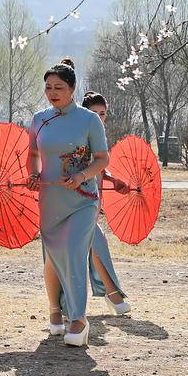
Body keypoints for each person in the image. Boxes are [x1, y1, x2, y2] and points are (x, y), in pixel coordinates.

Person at [28, 59, 109, 347]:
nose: (52, 92)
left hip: (83, 199)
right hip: (50, 200)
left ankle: (78, 319)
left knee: (74, 250)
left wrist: (82, 175)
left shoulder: (89, 120)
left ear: (72, 89)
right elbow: (33, 155)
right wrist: (33, 174)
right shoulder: (39, 119)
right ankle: (54, 310)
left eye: (58, 87)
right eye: (48, 87)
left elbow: (102, 158)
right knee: (53, 256)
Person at [78, 92, 132, 315]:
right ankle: (113, 294)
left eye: (103, 114)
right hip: (78, 200)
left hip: (94, 201)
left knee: (90, 249)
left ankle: (69, 304)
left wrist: (112, 179)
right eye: (94, 114)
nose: (99, 118)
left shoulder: (99, 136)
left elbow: (100, 164)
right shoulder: (79, 135)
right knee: (96, 244)